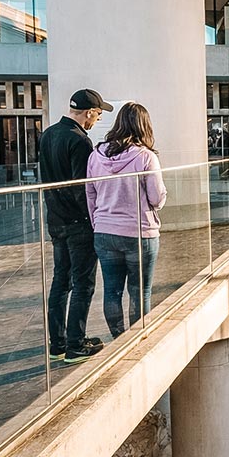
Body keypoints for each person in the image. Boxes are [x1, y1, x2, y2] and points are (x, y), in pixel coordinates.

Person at [39, 89, 112, 364]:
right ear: (89, 112)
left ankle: (57, 344)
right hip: (78, 224)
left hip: (56, 221)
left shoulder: (48, 134)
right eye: (98, 114)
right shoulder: (80, 141)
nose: (98, 119)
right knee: (83, 285)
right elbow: (82, 189)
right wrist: (93, 220)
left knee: (60, 281)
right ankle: (75, 345)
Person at [86, 103, 167, 338]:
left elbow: (90, 194)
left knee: (112, 291)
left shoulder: (95, 156)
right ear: (144, 125)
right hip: (139, 233)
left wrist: (98, 223)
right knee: (140, 291)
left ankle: (118, 338)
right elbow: (156, 198)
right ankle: (138, 339)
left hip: (104, 232)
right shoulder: (146, 157)